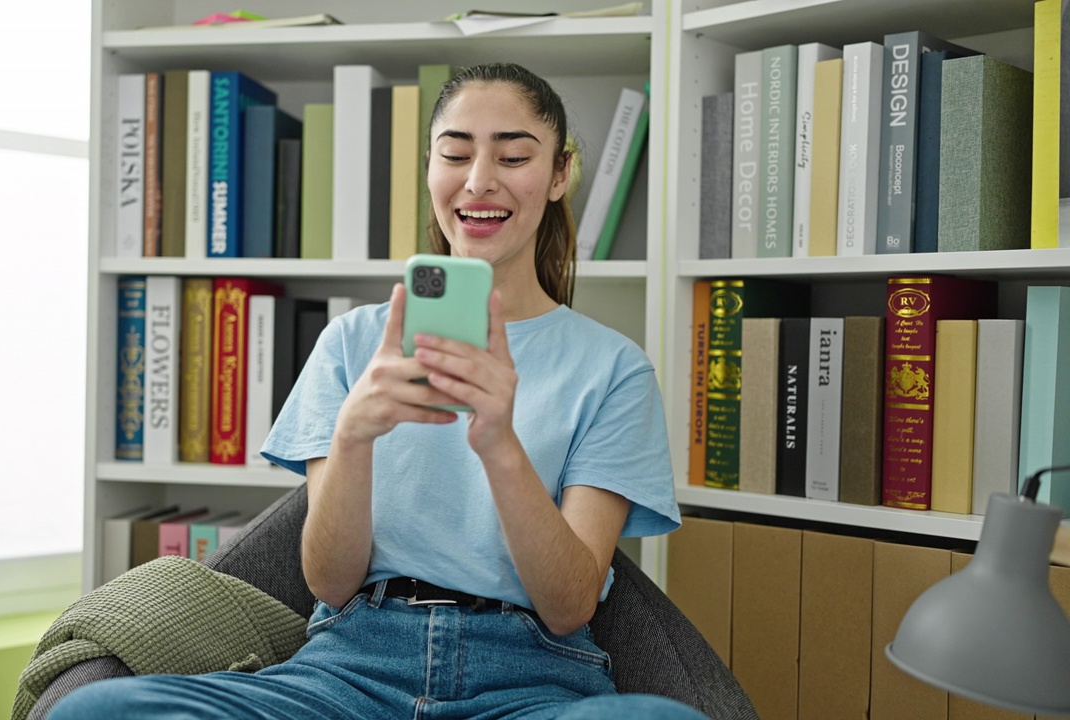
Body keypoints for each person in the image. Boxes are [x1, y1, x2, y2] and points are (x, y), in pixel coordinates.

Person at [50, 62, 702, 720]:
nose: (479, 180)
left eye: (512, 154)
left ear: (559, 175)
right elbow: (328, 582)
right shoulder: (351, 345)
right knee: (93, 710)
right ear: (429, 168)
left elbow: (570, 606)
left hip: (531, 676)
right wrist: (353, 436)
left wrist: (500, 445)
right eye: (455, 153)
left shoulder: (614, 369)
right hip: (354, 666)